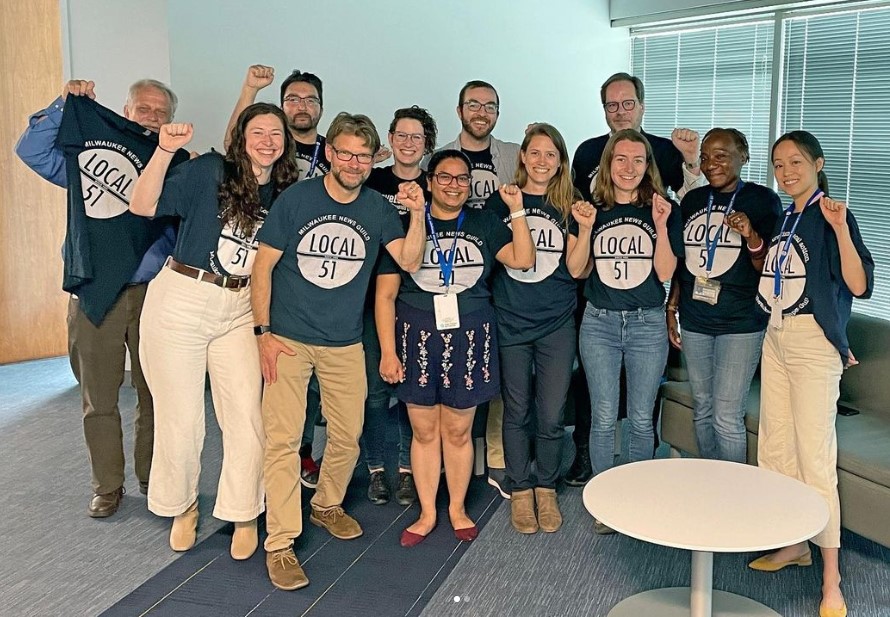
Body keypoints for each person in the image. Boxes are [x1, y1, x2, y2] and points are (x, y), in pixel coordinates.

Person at [252, 112, 426, 591]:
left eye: (364, 156)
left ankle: (326, 504)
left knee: (348, 435)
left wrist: (416, 211)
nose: (354, 162)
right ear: (329, 152)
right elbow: (263, 268)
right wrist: (262, 332)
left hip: (344, 340)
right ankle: (280, 542)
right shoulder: (298, 199)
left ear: (374, 160)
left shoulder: (376, 208)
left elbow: (410, 259)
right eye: (346, 152)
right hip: (287, 337)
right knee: (285, 440)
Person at [129, 103, 299, 560]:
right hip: (183, 296)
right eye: (257, 131)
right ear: (241, 136)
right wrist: (164, 150)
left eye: (275, 133)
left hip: (241, 306)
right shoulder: (208, 171)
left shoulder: (286, 191)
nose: (267, 140)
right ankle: (182, 506)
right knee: (181, 417)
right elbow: (142, 204)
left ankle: (244, 511)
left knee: (246, 414)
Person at [14, 78, 180, 518]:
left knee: (156, 393)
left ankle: (154, 479)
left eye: (160, 111)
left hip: (153, 293)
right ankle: (108, 485)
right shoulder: (88, 154)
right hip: (93, 291)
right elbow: (30, 151)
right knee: (98, 397)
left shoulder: (173, 165)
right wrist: (64, 103)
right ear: (124, 111)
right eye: (143, 109)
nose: (151, 116)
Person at [375, 149, 535, 548]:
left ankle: (457, 508)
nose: (453, 185)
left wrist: (517, 212)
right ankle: (427, 512)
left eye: (462, 178)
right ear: (429, 181)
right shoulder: (404, 223)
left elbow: (524, 259)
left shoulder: (482, 222)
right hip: (417, 339)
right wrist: (388, 351)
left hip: (471, 339)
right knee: (424, 430)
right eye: (444, 178)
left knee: (460, 431)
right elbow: (385, 296)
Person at [748, 131, 873, 617]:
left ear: (818, 164)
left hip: (812, 345)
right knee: (775, 447)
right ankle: (792, 542)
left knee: (815, 457)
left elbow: (858, 285)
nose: (786, 171)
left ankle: (831, 579)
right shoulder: (786, 217)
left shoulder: (831, 215)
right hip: (776, 338)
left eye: (796, 162)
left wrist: (841, 230)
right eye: (778, 164)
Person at [569, 129, 683, 534]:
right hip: (599, 323)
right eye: (621, 159)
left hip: (646, 323)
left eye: (638, 160)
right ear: (607, 163)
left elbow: (666, 272)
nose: (629, 168)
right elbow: (576, 269)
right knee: (602, 417)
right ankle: (606, 502)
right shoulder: (588, 208)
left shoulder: (661, 207)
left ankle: (638, 496)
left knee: (638, 418)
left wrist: (660, 224)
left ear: (647, 165)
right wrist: (584, 230)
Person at [486, 124, 584, 534]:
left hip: (557, 321)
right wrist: (517, 209)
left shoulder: (572, 204)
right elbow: (515, 260)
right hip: (511, 319)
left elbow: (577, 269)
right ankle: (520, 487)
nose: (543, 161)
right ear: (523, 157)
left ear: (560, 161)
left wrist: (588, 226)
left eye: (551, 154)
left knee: (551, 412)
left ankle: (546, 484)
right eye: (536, 153)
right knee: (517, 408)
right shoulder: (502, 201)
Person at [666, 128, 782, 463]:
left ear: (742, 155)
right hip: (696, 318)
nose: (710, 163)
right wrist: (671, 307)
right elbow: (682, 263)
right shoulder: (692, 200)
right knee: (702, 409)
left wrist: (750, 233)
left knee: (726, 416)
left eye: (720, 154)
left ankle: (735, 500)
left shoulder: (762, 200)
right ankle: (709, 485)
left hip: (741, 322)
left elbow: (770, 267)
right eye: (705, 156)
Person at [434, 80, 520, 497]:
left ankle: (497, 458)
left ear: (498, 113)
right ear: (459, 109)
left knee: (493, 372)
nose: (481, 112)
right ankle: (454, 459)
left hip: (501, 272)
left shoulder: (513, 155)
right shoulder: (441, 158)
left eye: (490, 105)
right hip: (454, 273)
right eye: (473, 104)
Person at [360, 106, 439, 506]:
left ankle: (409, 471)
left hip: (418, 298)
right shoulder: (370, 180)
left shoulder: (436, 183)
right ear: (389, 139)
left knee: (414, 393)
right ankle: (376, 468)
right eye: (402, 135)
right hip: (369, 298)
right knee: (375, 392)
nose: (409, 143)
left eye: (417, 137)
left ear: (428, 144)